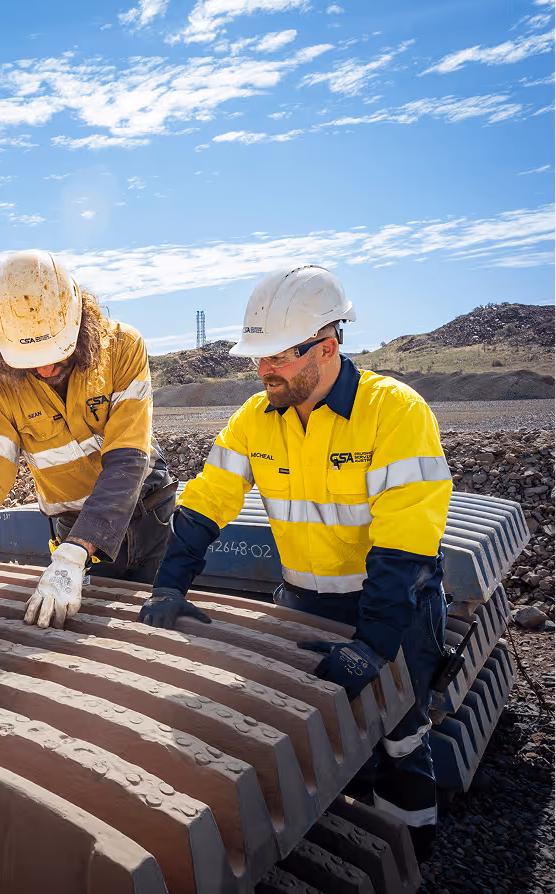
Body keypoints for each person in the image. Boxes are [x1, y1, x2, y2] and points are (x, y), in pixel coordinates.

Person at [141, 264, 451, 862]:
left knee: (400, 732)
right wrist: (169, 585)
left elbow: (405, 541)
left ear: (327, 347)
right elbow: (206, 501)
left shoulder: (395, 413)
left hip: (390, 605)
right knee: (327, 732)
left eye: (276, 356)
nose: (262, 371)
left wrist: (377, 640)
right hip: (304, 601)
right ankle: (348, 834)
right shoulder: (257, 419)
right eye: (257, 357)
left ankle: (414, 846)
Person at [0, 249, 175, 650]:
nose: (46, 370)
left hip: (146, 513)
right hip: (69, 524)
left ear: (81, 320)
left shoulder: (122, 348)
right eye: (33, 362)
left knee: (150, 637)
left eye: (56, 354)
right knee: (89, 643)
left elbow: (126, 460)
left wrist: (74, 554)